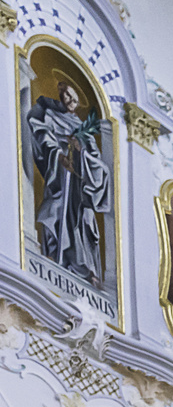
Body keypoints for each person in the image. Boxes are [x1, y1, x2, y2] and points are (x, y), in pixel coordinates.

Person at [26, 80, 112, 283]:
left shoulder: (83, 127)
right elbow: (42, 135)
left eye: (71, 94)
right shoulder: (49, 115)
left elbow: (94, 155)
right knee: (55, 211)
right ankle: (55, 253)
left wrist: (81, 153)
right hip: (61, 177)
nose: (68, 98)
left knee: (84, 221)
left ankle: (86, 267)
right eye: (64, 93)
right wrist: (59, 155)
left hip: (80, 182)